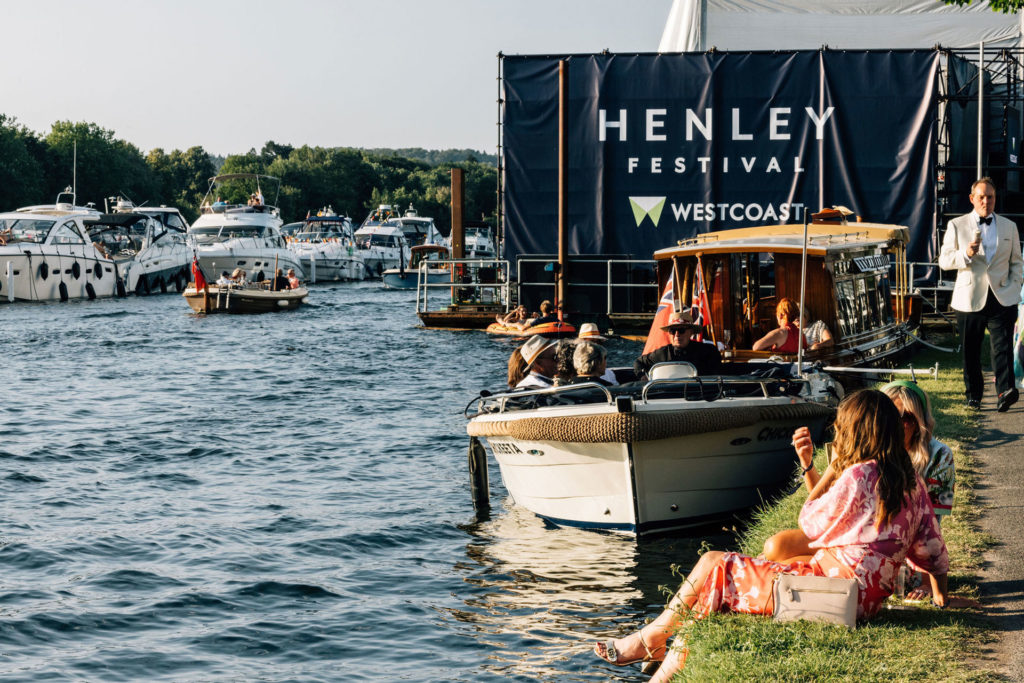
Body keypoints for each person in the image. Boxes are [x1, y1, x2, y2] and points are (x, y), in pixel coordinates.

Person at [594, 390, 968, 681]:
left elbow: (810, 521)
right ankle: (662, 661)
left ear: (855, 432)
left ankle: (648, 641)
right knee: (717, 587)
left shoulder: (858, 475)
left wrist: (832, 468)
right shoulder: (910, 483)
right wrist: (941, 596)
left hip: (828, 596)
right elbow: (933, 551)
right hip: (861, 603)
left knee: (714, 564)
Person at [763, 380, 956, 568]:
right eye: (892, 417)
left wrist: (927, 583)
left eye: (907, 418)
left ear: (920, 422)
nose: (900, 425)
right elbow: (826, 508)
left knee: (780, 562)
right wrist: (807, 463)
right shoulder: (867, 453)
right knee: (774, 550)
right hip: (852, 543)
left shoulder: (939, 455)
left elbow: (931, 527)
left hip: (896, 558)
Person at [938, 176, 1024, 411]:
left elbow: (1017, 262)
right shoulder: (957, 225)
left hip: (1002, 296)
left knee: (1003, 347)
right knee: (971, 350)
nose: (986, 201)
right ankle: (973, 395)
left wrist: (1015, 285)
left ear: (996, 199)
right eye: (982, 197)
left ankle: (1005, 392)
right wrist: (965, 254)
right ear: (972, 199)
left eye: (991, 197)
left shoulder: (1009, 226)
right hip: (968, 299)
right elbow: (944, 260)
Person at [633, 311, 722, 379]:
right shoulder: (661, 353)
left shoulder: (708, 352)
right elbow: (639, 362)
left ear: (691, 332)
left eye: (681, 330)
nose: (677, 334)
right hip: (668, 397)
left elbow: (715, 377)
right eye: (673, 331)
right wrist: (642, 376)